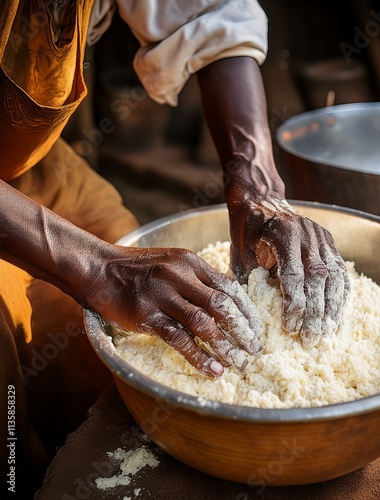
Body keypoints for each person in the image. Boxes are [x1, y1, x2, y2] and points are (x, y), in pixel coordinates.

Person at [0, 0, 350, 493]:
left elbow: (213, 11)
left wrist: (257, 188)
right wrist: (102, 270)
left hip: (28, 168)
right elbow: (107, 271)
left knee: (119, 315)